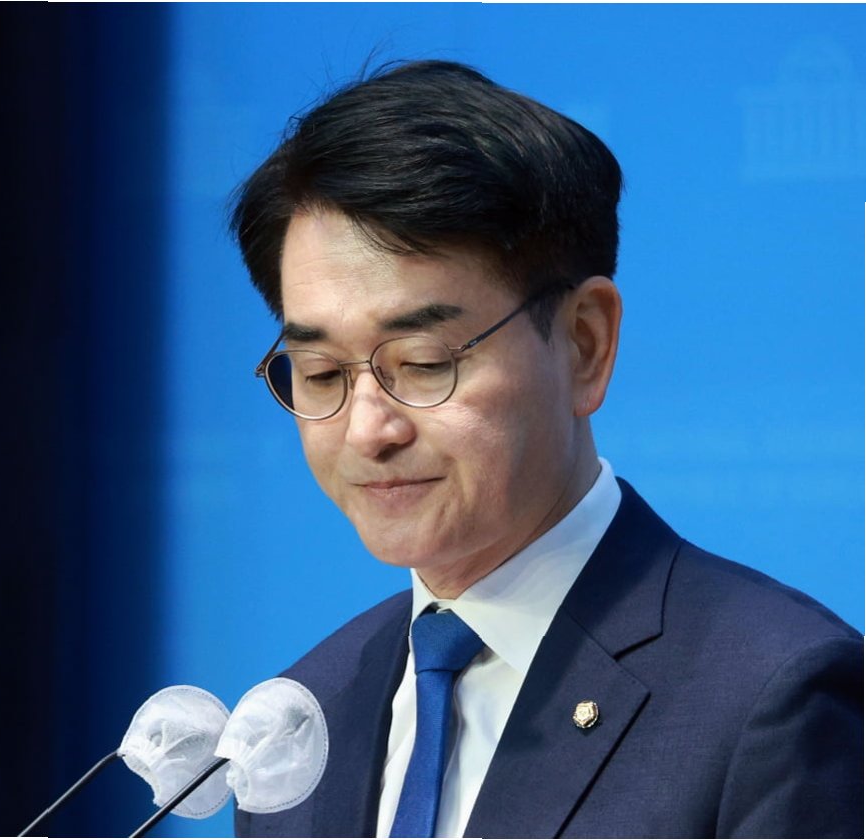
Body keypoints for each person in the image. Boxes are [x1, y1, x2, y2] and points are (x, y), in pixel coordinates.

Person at [228, 60, 862, 839]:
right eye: (321, 373)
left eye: (422, 363)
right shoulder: (301, 720)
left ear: (584, 344)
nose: (367, 431)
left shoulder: (771, 697)